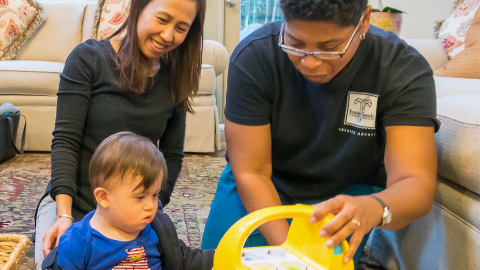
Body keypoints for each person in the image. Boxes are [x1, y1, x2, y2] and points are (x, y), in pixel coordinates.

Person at [202, 0, 439, 267]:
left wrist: (374, 208)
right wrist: (291, 253)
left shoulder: (402, 68)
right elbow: (251, 172)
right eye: (295, 43)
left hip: (348, 192)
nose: (311, 63)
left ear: (364, 20)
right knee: (221, 260)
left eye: (330, 48)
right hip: (263, 180)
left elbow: (415, 183)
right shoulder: (254, 55)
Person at [34, 0, 206, 268]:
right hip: (71, 204)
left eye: (181, 27)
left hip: (130, 209)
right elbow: (66, 142)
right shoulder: (88, 58)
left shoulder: (175, 77)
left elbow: (171, 155)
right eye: (162, 19)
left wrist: (147, 205)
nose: (169, 35)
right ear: (138, 8)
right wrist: (64, 215)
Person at [41, 132, 214, 270]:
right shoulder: (77, 242)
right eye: (140, 197)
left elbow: (185, 259)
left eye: (154, 195)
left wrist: (230, 256)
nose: (151, 206)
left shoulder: (157, 228)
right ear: (104, 197)